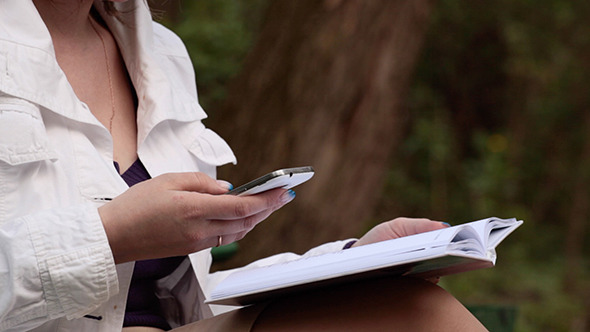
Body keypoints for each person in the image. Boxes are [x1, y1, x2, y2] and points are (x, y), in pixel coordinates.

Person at [0, 0, 488, 331]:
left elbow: (187, 295)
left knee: (414, 313)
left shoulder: (161, 52)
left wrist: (353, 266)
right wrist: (110, 237)